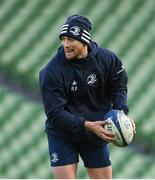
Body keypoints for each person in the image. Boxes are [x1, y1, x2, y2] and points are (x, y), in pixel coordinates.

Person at [39, 15, 136, 179]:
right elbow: (55, 114)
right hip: (63, 134)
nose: (65, 45)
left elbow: (119, 87)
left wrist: (120, 112)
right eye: (63, 39)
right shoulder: (51, 72)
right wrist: (87, 125)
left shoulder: (108, 60)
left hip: (95, 133)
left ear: (84, 40)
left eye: (70, 40)